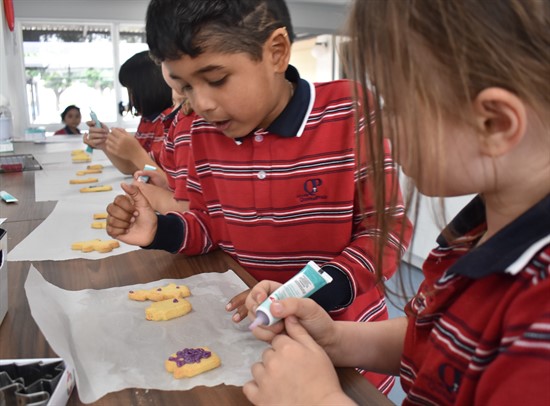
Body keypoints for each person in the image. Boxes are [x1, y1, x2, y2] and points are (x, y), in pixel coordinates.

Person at [242, 0, 550, 405]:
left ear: (494, 123)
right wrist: (336, 338)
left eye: (399, 107)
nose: (384, 124)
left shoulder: (538, 316)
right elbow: (436, 338)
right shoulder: (474, 234)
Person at [105, 0, 412, 394]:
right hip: (251, 342)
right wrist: (159, 230)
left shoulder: (350, 111)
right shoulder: (198, 132)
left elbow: (386, 230)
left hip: (346, 341)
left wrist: (317, 288)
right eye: (183, 87)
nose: (201, 104)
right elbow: (207, 224)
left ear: (276, 53)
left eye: (215, 79)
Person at [84, 50, 174, 175]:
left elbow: (154, 171)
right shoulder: (147, 120)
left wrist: (134, 153)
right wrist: (104, 142)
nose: (130, 98)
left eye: (131, 91)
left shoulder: (168, 121)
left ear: (146, 89)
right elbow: (132, 166)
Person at [132, 64, 193, 214]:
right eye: (174, 104)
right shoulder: (178, 119)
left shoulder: (187, 123)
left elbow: (189, 209)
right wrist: (166, 185)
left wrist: (154, 197)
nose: (171, 112)